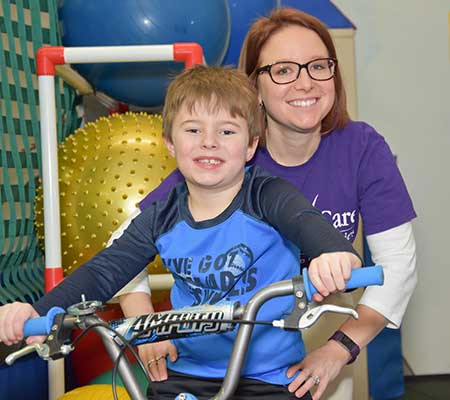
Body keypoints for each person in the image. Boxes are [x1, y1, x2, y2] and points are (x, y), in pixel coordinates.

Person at [0, 65, 362, 400]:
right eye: (193, 130)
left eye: (227, 130)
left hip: (266, 376)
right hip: (187, 372)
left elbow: (306, 223)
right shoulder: (162, 215)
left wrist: (333, 255)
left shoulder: (268, 196)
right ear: (170, 143)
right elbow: (108, 268)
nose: (209, 141)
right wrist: (39, 310)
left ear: (251, 145)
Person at [118, 8, 417, 400]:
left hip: (321, 321)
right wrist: (146, 329)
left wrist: (338, 349)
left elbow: (397, 266)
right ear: (254, 86)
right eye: (283, 70)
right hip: (227, 340)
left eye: (318, 66)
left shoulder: (361, 147)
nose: (304, 82)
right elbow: (122, 246)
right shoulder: (226, 153)